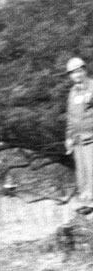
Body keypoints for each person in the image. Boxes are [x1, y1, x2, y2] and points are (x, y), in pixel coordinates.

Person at [65, 57, 93, 201]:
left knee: (92, 169)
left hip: (91, 137)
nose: (76, 75)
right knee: (81, 172)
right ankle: (86, 202)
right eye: (73, 73)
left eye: (79, 71)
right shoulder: (72, 92)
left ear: (84, 71)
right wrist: (69, 137)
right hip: (78, 139)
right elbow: (71, 117)